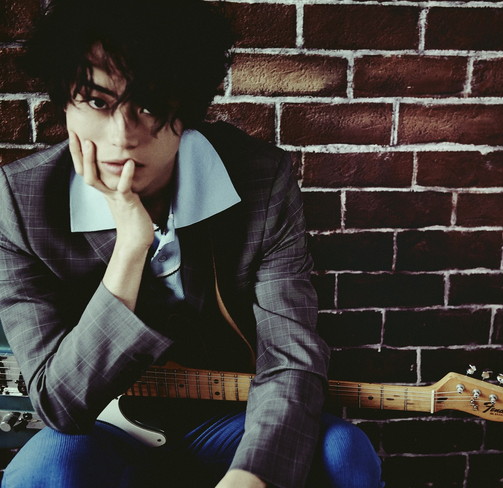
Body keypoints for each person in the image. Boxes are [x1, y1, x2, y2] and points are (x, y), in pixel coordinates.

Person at [0, 0, 384, 487]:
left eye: (148, 105)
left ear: (187, 107)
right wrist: (131, 247)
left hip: (229, 420)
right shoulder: (20, 202)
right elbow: (60, 404)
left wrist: (252, 476)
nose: (122, 135)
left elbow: (291, 355)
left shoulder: (261, 178)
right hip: (102, 427)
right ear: (65, 103)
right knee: (43, 473)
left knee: (342, 453)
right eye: (97, 102)